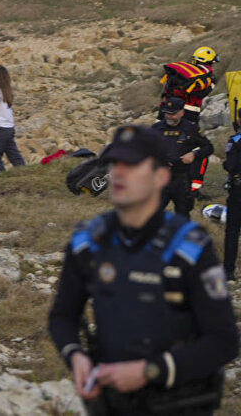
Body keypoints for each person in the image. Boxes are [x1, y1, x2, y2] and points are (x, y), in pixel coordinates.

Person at [47, 125, 238, 415]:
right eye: (114, 164)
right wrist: (75, 355)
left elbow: (223, 341)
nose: (119, 173)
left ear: (160, 176)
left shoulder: (189, 246)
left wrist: (150, 371)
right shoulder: (89, 241)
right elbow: (62, 315)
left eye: (132, 165)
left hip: (178, 400)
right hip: (113, 400)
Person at [160, 47, 217, 198]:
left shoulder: (177, 74)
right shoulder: (205, 77)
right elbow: (202, 93)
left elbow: (165, 94)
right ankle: (193, 190)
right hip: (188, 118)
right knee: (200, 152)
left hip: (166, 115)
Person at [152, 97, 213, 217]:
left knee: (183, 213)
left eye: (173, 114)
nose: (169, 117)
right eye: (167, 113)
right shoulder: (156, 128)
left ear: (182, 113)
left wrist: (194, 154)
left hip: (181, 178)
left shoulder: (190, 128)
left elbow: (208, 148)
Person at [0, 65, 25, 171]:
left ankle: (0, 174)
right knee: (13, 154)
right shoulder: (7, 91)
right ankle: (24, 171)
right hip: (9, 127)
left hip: (0, 128)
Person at [223, 115, 241, 281]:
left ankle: (228, 270)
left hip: (238, 190)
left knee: (233, 231)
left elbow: (230, 165)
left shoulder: (235, 140)